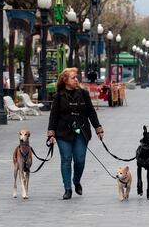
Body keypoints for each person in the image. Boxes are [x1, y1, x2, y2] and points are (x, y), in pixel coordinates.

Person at [47, 67, 104, 200]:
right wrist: (51, 133)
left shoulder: (83, 93)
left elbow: (91, 111)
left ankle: (76, 180)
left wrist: (98, 128)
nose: (76, 80)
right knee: (66, 159)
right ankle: (68, 189)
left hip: (81, 131)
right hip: (63, 133)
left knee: (79, 160)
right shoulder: (59, 96)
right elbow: (53, 115)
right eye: (73, 78)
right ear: (65, 80)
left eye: (76, 77)